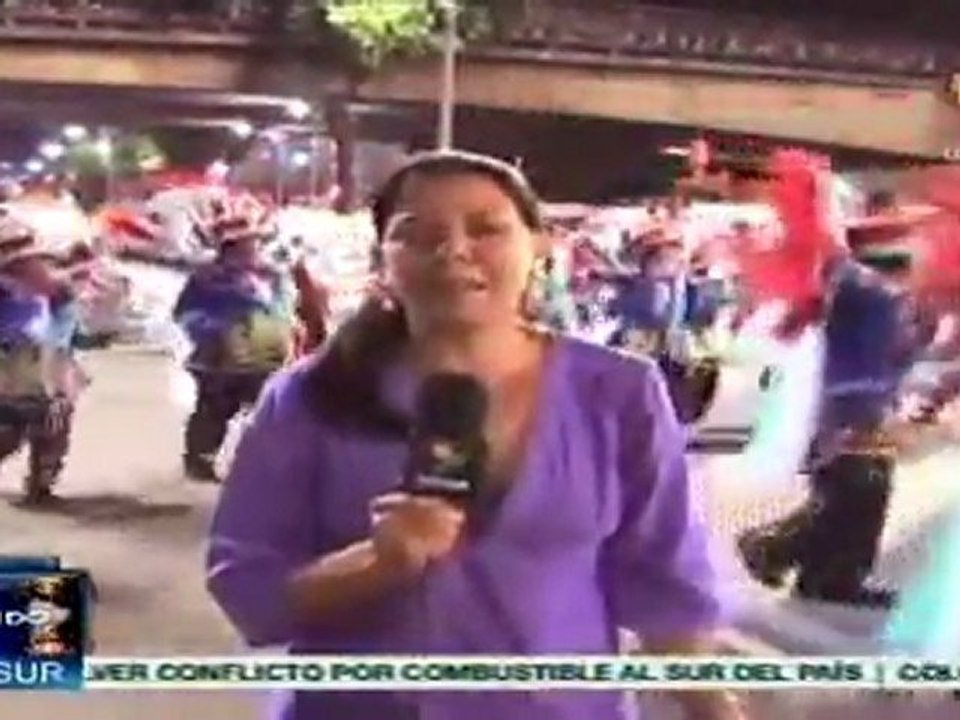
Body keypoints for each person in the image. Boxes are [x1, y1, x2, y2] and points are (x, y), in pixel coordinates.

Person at [206, 151, 744, 720]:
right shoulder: (308, 397)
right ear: (383, 258)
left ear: (539, 246)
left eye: (486, 228)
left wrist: (711, 706)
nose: (454, 250)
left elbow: (666, 581)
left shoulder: (619, 392)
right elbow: (249, 590)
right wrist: (375, 564)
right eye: (418, 233)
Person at [173, 196, 294, 483]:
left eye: (253, 242)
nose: (251, 249)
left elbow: (285, 310)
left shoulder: (271, 277)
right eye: (243, 244)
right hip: (220, 361)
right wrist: (215, 330)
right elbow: (186, 313)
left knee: (270, 414)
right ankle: (200, 458)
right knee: (214, 410)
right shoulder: (208, 279)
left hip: (267, 358)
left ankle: (266, 464)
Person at [0, 219, 82, 504]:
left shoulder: (55, 293)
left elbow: (67, 331)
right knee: (8, 432)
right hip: (11, 368)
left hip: (45, 366)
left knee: (53, 423)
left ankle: (42, 484)